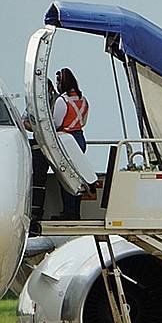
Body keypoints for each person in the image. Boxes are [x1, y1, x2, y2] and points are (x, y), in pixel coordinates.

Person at [53, 68, 90, 221]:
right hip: (80, 138)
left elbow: (56, 123)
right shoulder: (84, 100)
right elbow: (84, 121)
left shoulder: (62, 101)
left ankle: (68, 212)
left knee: (66, 177)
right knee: (78, 175)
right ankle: (75, 211)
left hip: (66, 139)